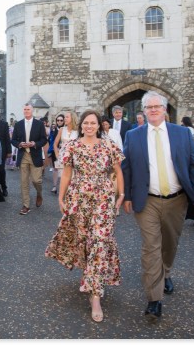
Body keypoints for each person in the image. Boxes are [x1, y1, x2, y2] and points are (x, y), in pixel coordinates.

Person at [121, 90, 194, 322]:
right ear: (144, 111)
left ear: (164, 109)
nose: (152, 110)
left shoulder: (182, 134)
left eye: (156, 107)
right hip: (147, 199)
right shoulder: (133, 135)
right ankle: (154, 299)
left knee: (169, 243)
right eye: (148, 107)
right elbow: (127, 167)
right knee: (151, 246)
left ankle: (166, 271)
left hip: (176, 199)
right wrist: (126, 195)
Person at [45, 110, 125, 323]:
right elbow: (67, 174)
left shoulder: (109, 145)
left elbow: (117, 171)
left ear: (99, 125)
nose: (89, 126)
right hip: (79, 198)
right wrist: (61, 198)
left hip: (103, 200)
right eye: (86, 123)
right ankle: (91, 277)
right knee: (85, 242)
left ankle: (95, 295)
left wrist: (121, 195)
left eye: (93, 123)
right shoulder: (72, 146)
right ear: (82, 126)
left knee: (100, 241)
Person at [11, 103, 48, 215]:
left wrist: (34, 144)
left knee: (37, 180)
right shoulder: (18, 124)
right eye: (25, 109)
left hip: (35, 155)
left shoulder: (39, 124)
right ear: (23, 111)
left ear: (32, 111)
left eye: (28, 109)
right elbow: (13, 140)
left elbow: (44, 140)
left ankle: (39, 194)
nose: (26, 111)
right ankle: (26, 205)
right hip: (23, 155)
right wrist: (20, 144)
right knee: (24, 182)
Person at [53, 111, 79, 193]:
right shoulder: (61, 129)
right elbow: (55, 144)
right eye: (65, 117)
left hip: (75, 159)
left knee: (73, 181)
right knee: (64, 181)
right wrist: (57, 155)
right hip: (63, 158)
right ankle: (63, 201)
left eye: (67, 117)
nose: (65, 119)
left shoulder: (78, 130)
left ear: (72, 118)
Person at [48, 114, 65, 193]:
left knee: (64, 169)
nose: (59, 122)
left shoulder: (66, 129)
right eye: (58, 120)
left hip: (65, 152)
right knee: (56, 168)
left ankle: (62, 186)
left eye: (61, 120)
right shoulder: (54, 129)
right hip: (56, 152)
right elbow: (51, 140)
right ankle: (55, 186)